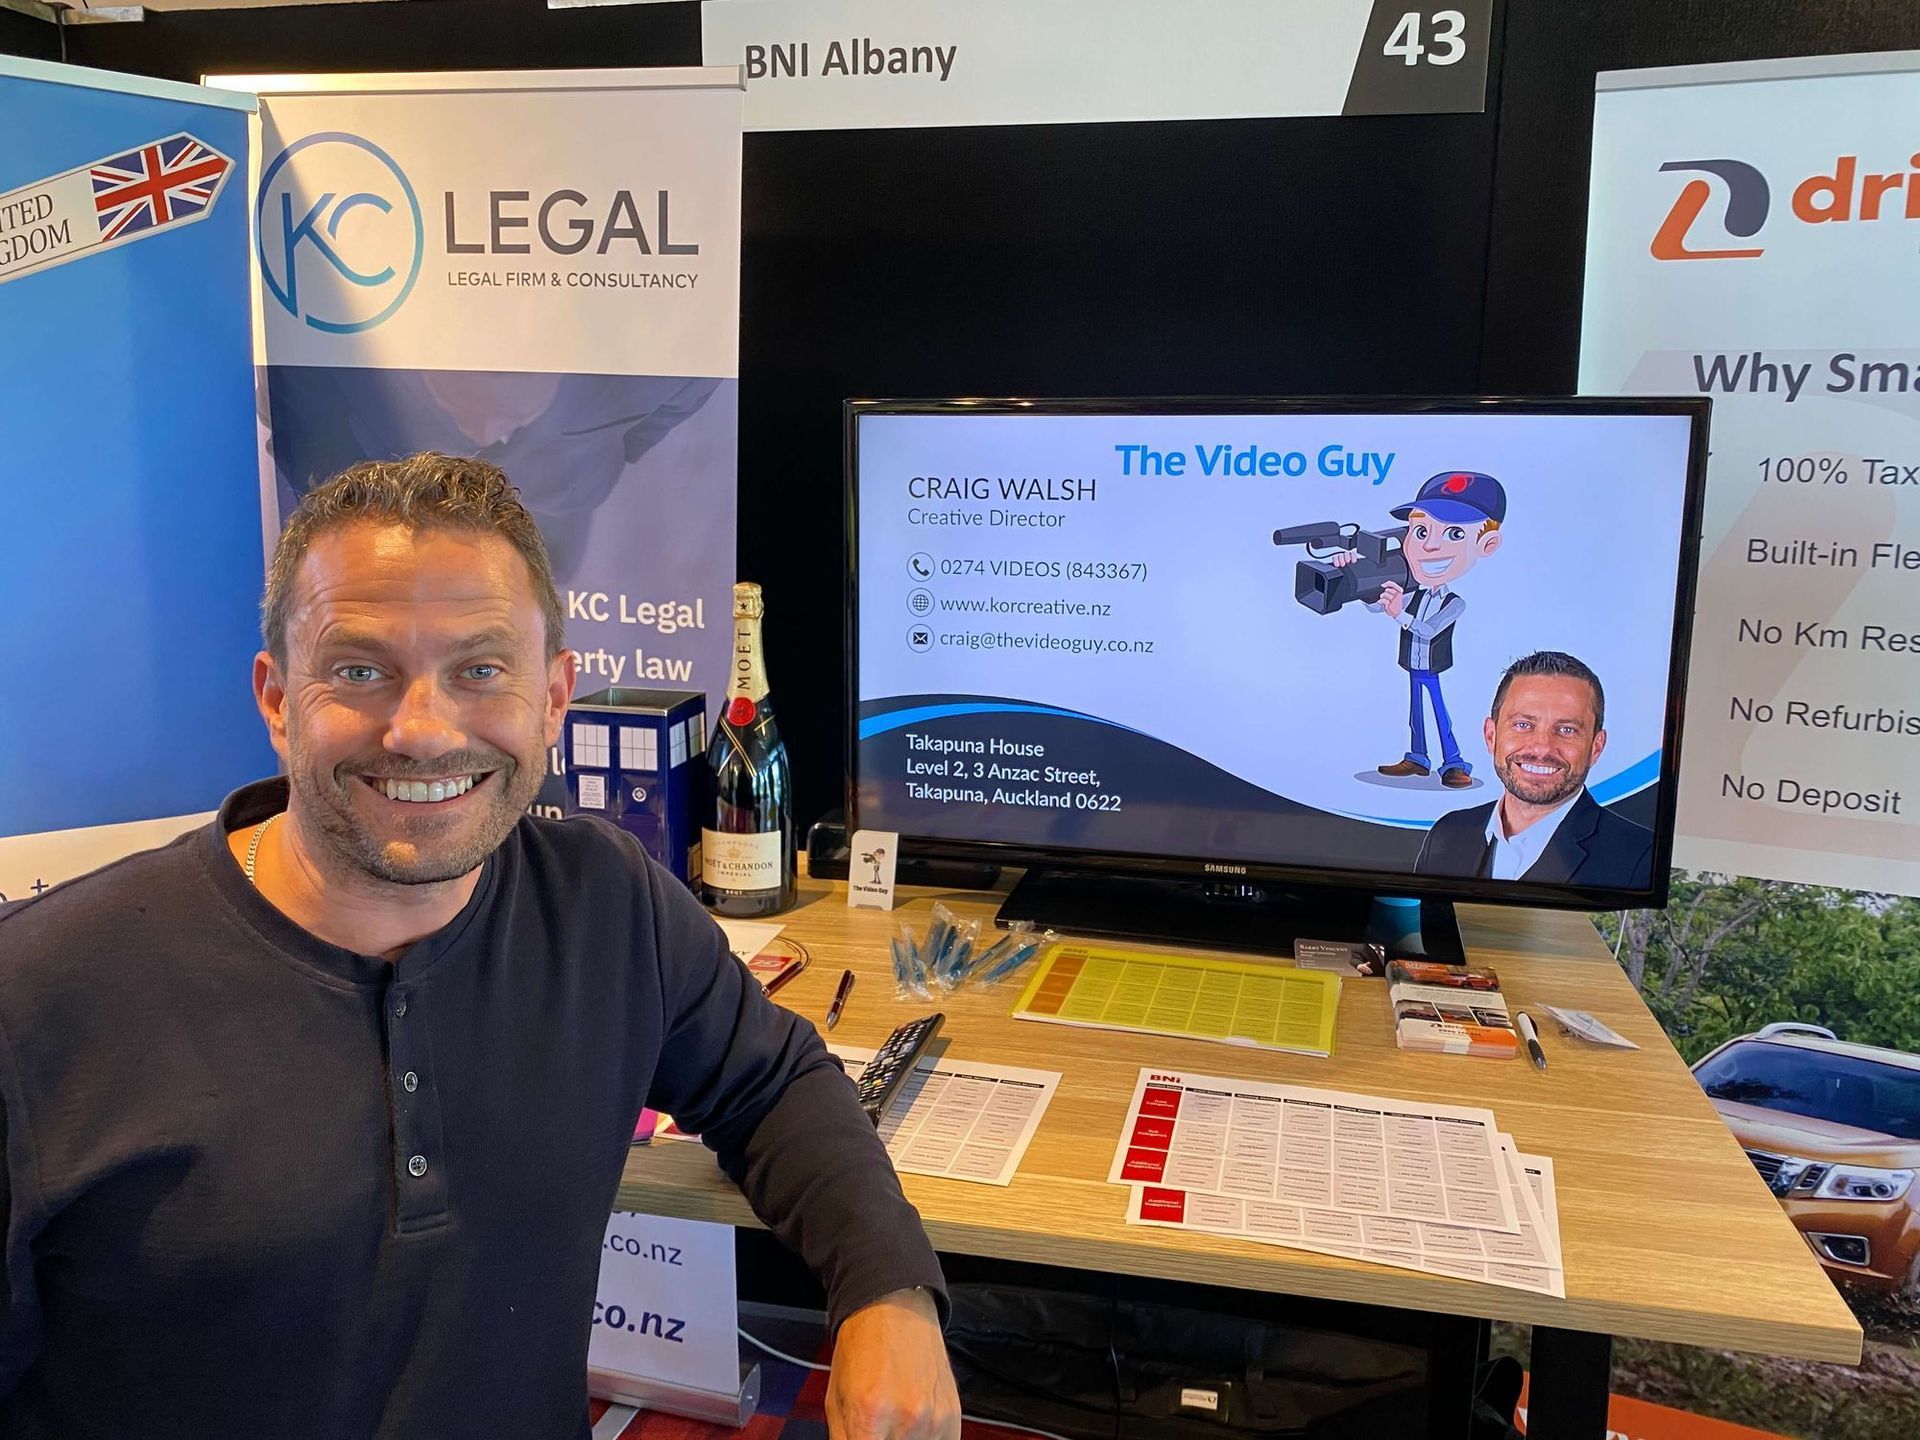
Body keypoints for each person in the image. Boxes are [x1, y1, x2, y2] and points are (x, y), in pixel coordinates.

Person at [0, 454, 960, 1440]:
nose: (422, 731)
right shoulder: (39, 1000)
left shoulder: (605, 903)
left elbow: (774, 1082)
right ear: (278, 700)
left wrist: (887, 1291)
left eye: (480, 670)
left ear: (552, 699)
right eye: (360, 670)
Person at [1414, 650, 1654, 888]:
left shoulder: (1642, 858)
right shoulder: (1447, 834)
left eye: (1567, 730)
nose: (1542, 748)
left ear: (1596, 747)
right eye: (1523, 725)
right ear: (1491, 735)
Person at [1333, 469, 1507, 789]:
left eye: (1454, 534)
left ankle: (1454, 762)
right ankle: (1418, 758)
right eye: (1421, 531)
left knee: (1439, 713)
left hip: (1432, 667)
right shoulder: (1411, 588)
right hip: (1411, 664)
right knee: (1415, 712)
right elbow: (1377, 605)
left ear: (1487, 544)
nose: (1430, 546)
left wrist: (1399, 615)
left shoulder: (1454, 602)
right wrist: (1353, 579)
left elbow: (1428, 631)